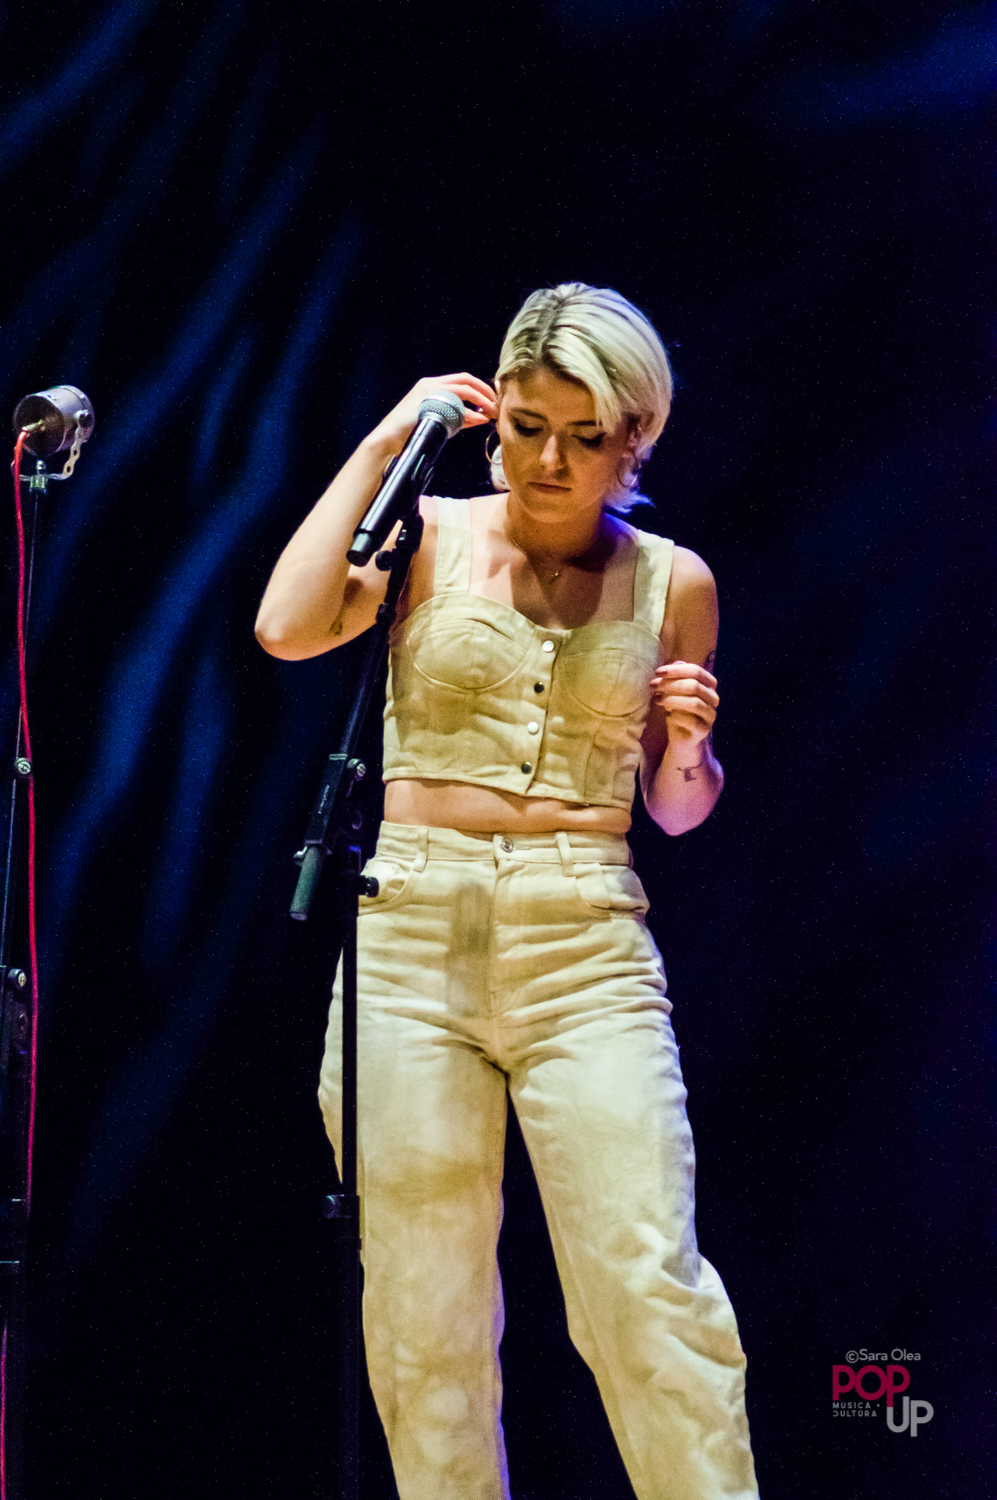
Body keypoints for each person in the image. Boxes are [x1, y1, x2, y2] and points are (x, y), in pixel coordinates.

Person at [255, 283, 759, 1500]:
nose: (548, 460)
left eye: (584, 436)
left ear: (634, 437)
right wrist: (391, 436)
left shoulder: (673, 582)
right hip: (412, 934)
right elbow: (285, 626)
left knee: (645, 1285)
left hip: (583, 939)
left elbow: (675, 807)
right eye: (528, 426)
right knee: (422, 1314)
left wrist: (691, 751)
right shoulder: (426, 534)